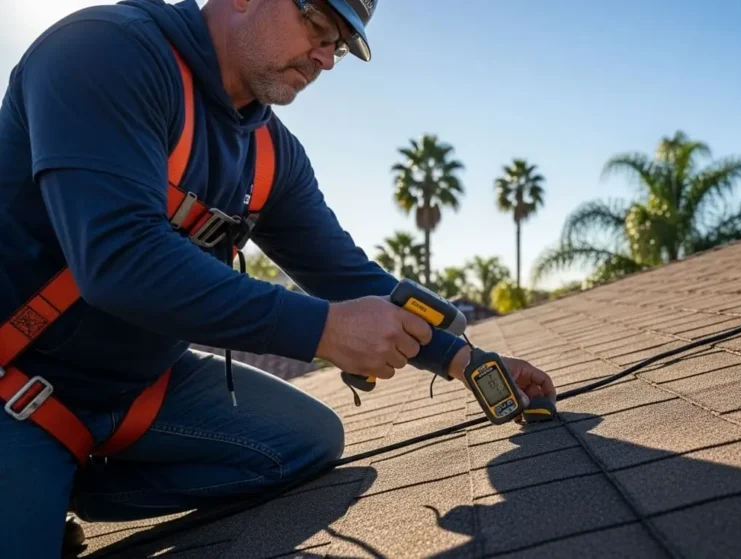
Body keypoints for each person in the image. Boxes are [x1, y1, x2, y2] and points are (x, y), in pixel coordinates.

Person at [0, 0, 557, 556]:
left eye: (338, 45)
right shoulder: (104, 51)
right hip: (18, 386)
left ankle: (61, 486)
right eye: (317, 27)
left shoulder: (270, 153)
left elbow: (346, 274)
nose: (326, 59)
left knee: (308, 441)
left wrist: (463, 360)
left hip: (142, 388)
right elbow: (118, 260)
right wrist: (324, 330)